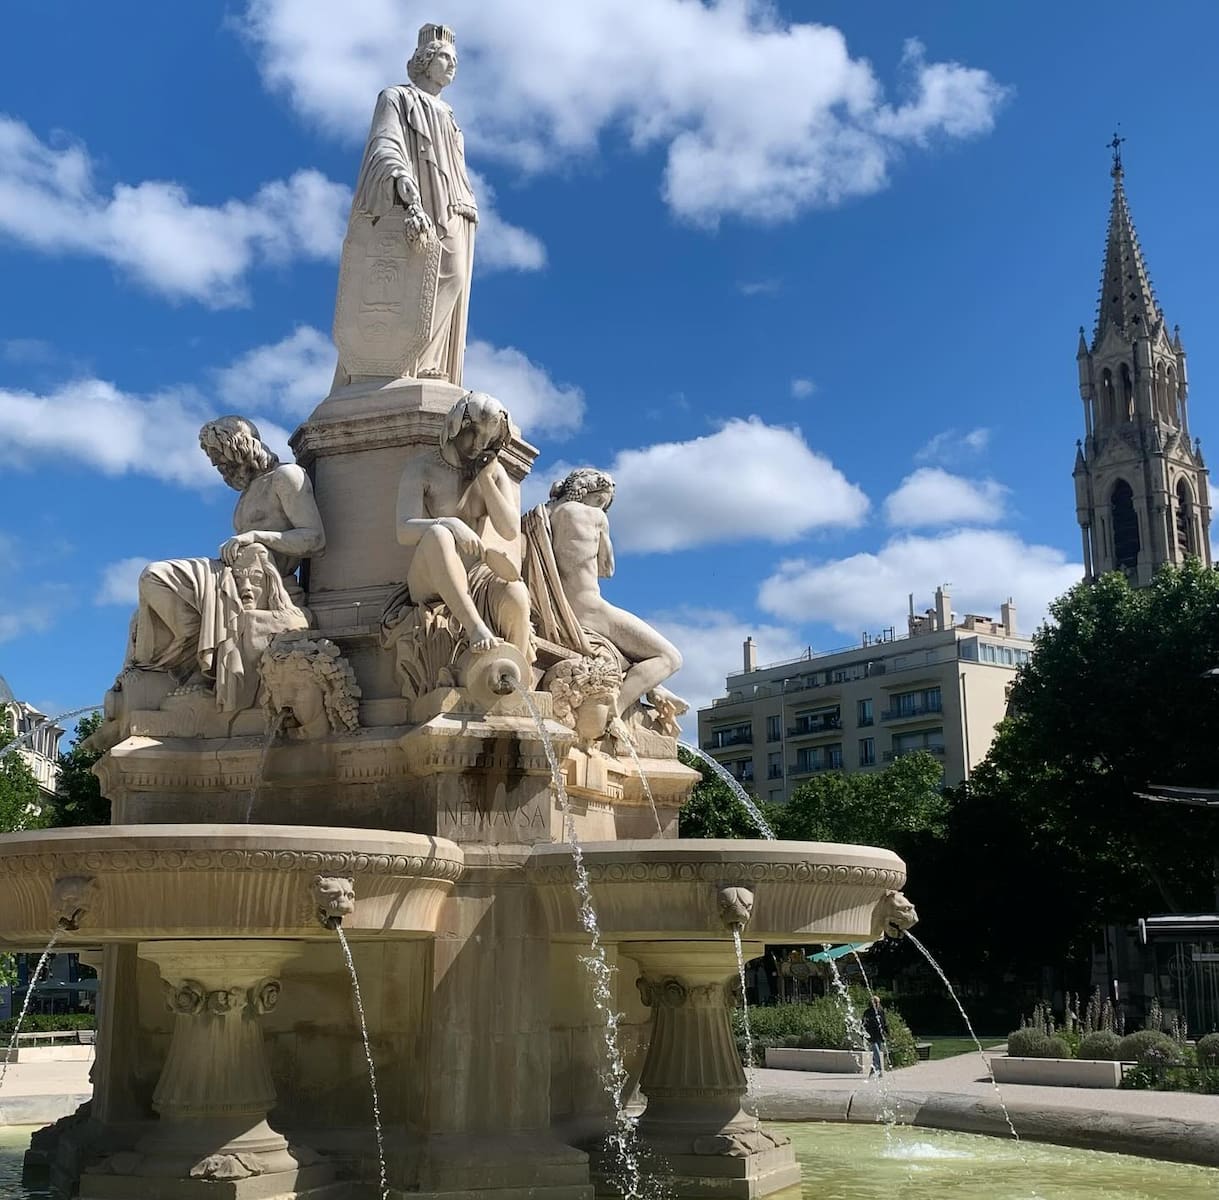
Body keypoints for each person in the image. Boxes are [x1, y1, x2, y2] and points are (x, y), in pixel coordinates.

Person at [127, 417, 324, 703]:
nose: (215, 464)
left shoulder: (286, 476)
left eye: (218, 454)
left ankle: (195, 652)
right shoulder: (249, 491)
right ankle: (192, 658)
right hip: (233, 573)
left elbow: (315, 538)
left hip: (262, 581)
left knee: (155, 574)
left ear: (241, 446)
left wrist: (256, 536)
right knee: (144, 611)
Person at [337, 23, 478, 385]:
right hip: (415, 200)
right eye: (444, 57)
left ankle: (429, 362)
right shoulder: (397, 98)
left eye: (455, 60)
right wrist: (402, 181)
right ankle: (406, 362)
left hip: (455, 206)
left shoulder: (449, 116)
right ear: (424, 60)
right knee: (433, 274)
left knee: (455, 276)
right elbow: (385, 144)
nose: (452, 65)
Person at [541, 469, 687, 727]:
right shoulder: (594, 516)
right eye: (602, 502)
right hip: (591, 610)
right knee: (669, 657)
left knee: (630, 654)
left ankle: (654, 690)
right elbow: (607, 569)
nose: (603, 509)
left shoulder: (540, 517)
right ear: (588, 494)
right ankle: (612, 714)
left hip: (557, 611)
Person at [393, 392, 531, 658]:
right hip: (429, 574)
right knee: (438, 533)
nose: (479, 446)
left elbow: (509, 530)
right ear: (456, 427)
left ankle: (516, 670)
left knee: (517, 592)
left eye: (488, 440)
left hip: (476, 574)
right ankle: (475, 627)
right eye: (474, 435)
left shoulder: (493, 471)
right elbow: (404, 530)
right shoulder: (422, 468)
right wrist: (450, 523)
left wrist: (485, 478)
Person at [862, 994, 890, 1077]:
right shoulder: (867, 1012)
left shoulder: (881, 1011)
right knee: (877, 1053)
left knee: (875, 1054)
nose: (877, 1004)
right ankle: (881, 1070)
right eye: (875, 1002)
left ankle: (873, 1069)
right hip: (871, 1036)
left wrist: (888, 1033)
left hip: (879, 1035)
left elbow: (884, 1023)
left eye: (878, 1002)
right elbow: (863, 1024)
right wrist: (863, 1034)